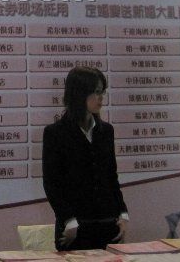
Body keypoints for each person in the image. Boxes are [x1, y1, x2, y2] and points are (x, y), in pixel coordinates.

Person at [42, 67, 128, 251]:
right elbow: (52, 184)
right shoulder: (55, 133)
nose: (101, 98)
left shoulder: (106, 131)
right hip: (74, 227)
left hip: (108, 224)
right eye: (96, 92)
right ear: (79, 93)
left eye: (102, 92)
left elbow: (111, 176)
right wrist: (68, 219)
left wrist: (122, 212)